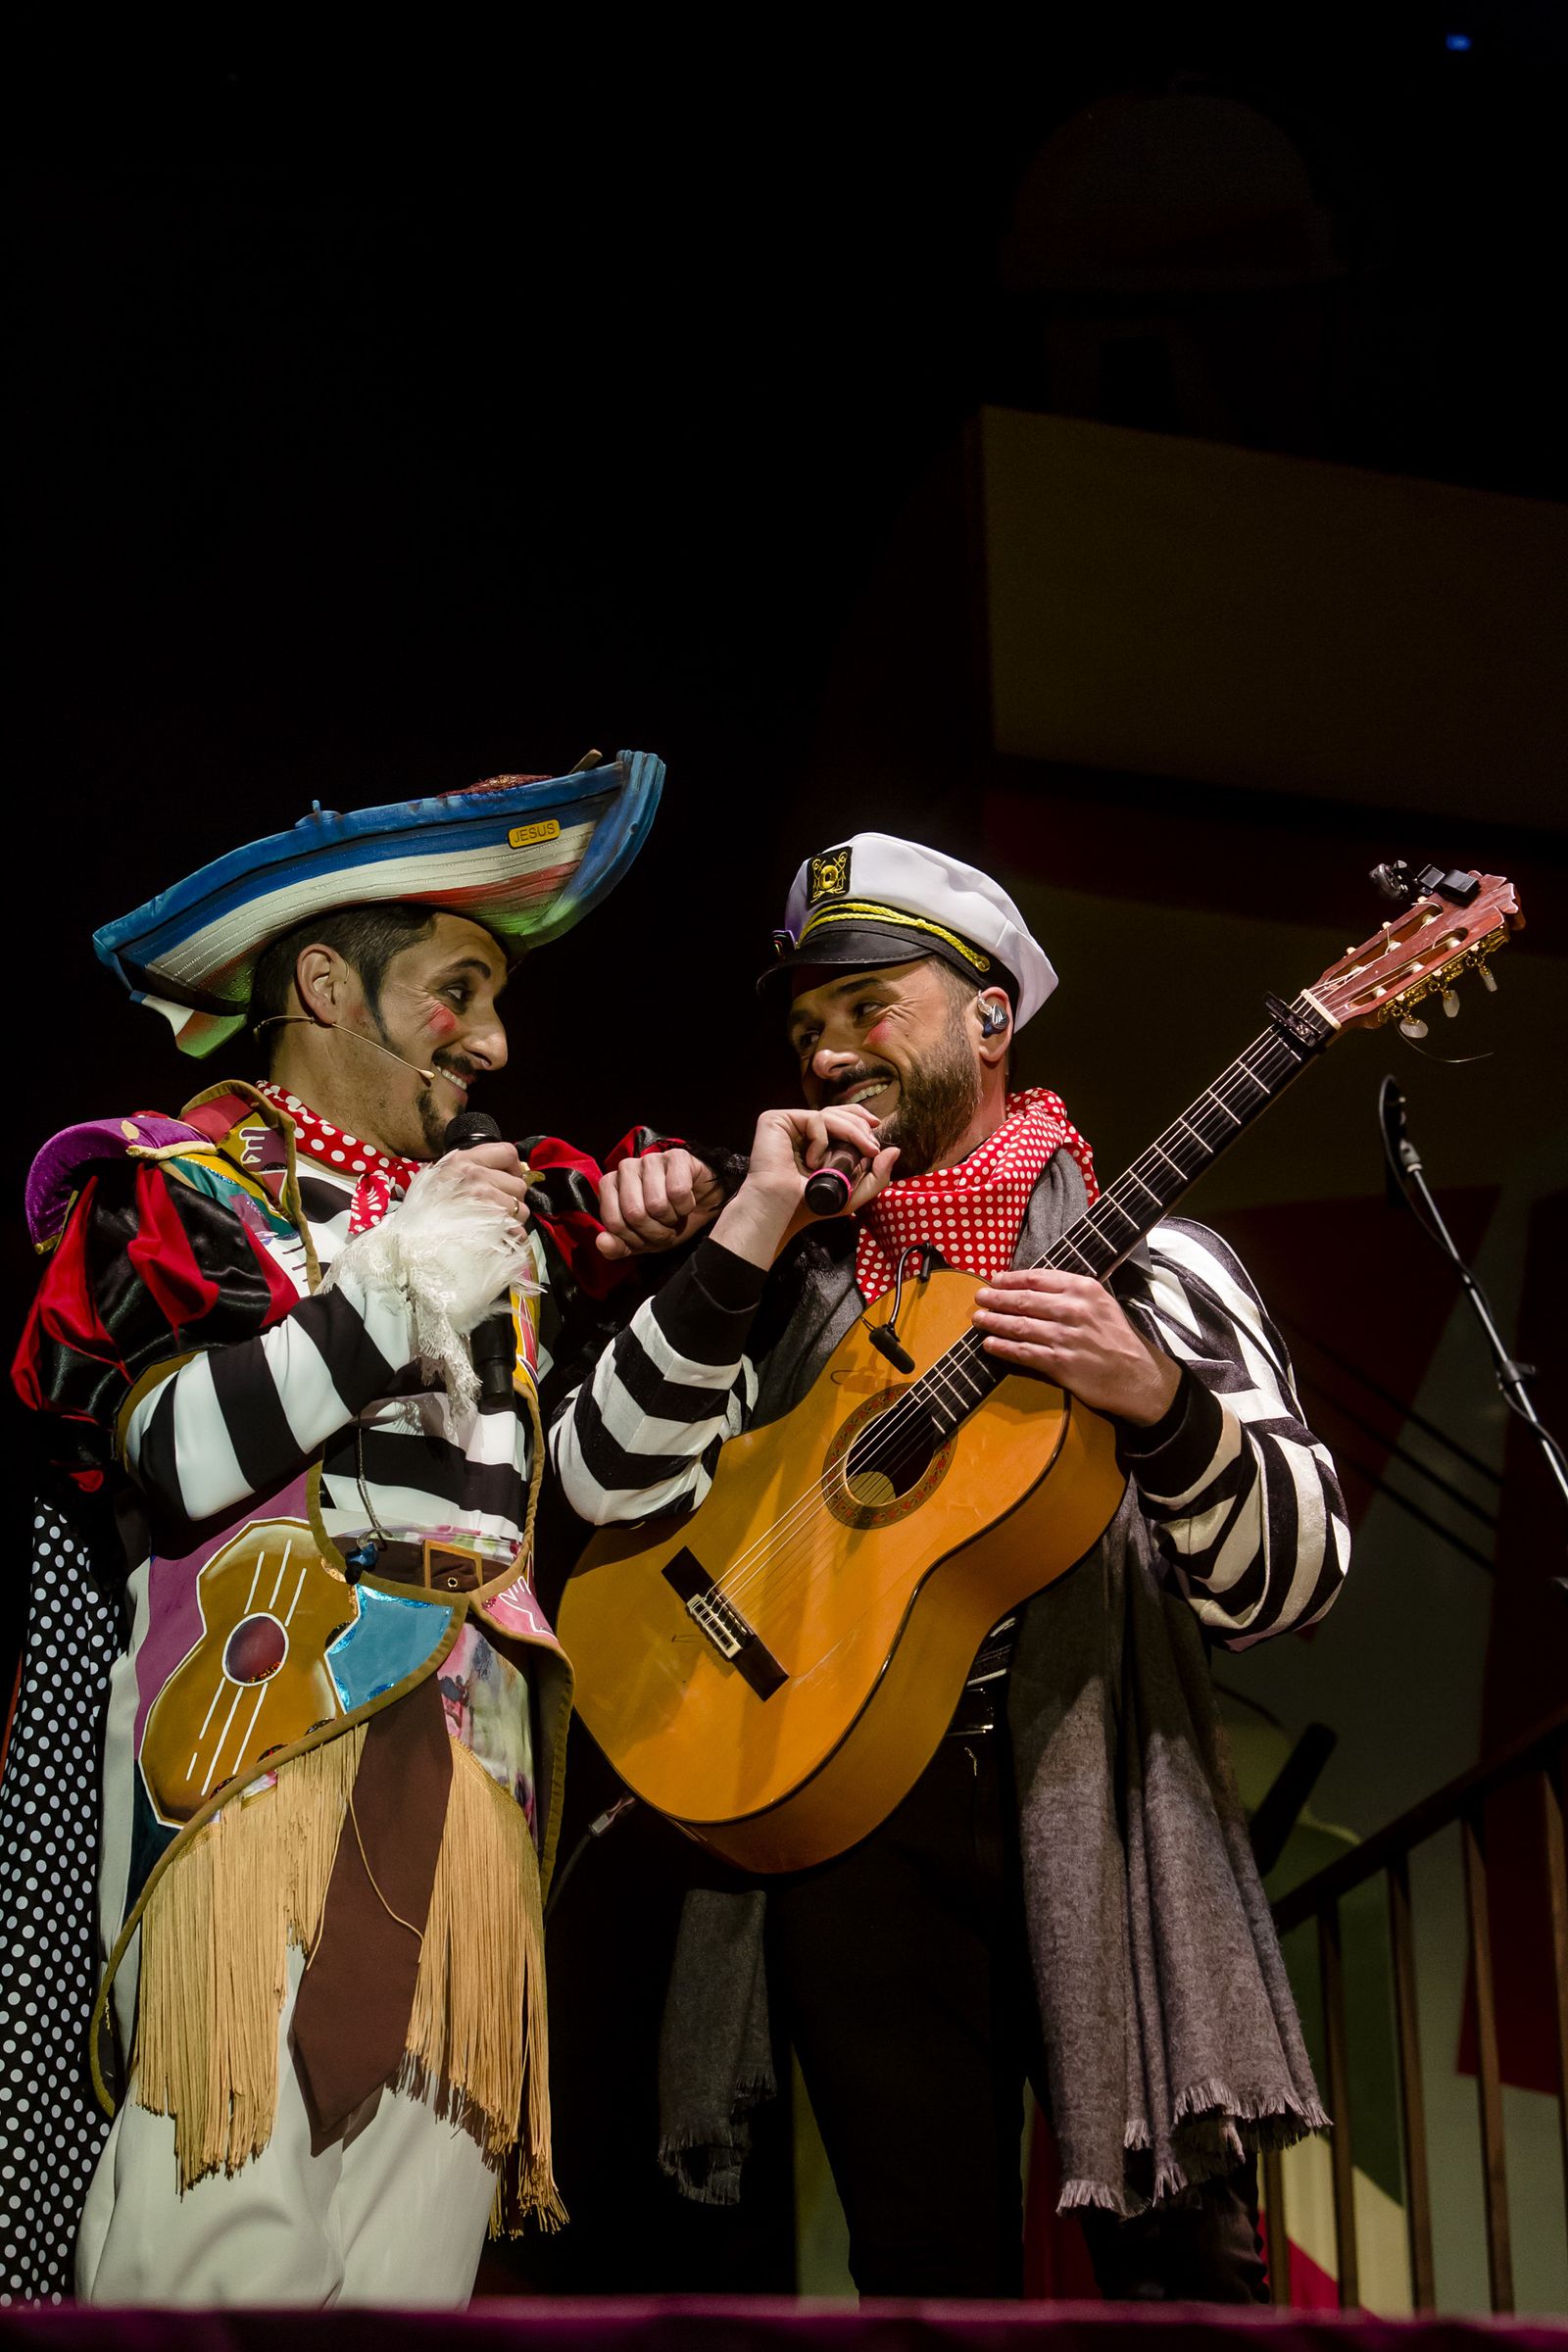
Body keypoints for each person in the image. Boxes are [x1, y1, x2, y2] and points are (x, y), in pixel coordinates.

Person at [554, 831, 1348, 2302]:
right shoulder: (791, 1280)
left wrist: (1161, 1405)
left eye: (872, 1008)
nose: (830, 1048)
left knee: (1185, 2270)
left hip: (1094, 1785)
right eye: (806, 1027)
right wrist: (739, 1233)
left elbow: (1289, 1581)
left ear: (990, 1014)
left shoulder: (1158, 1270)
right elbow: (599, 1482)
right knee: (921, 2285)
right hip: (849, 1817)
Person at [3, 752, 676, 2308]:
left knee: (403, 2291)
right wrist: (382, 1297)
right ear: (324, 981)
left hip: (477, 1805)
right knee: (215, 2258)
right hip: (249, 1782)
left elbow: (572, 1485)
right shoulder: (176, 1192)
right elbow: (166, 1460)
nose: (496, 1043)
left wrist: (730, 1230)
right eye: (458, 991)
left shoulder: (497, 1229)